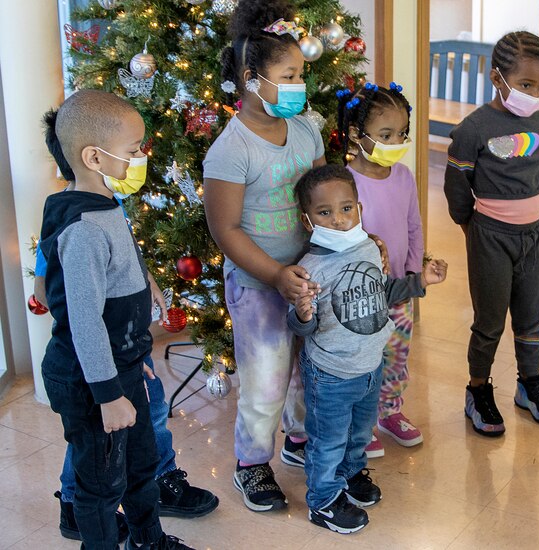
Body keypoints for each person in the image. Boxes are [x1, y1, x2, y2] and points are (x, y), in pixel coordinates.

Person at [39, 110, 218, 543]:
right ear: (94, 158)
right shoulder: (81, 229)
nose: (141, 158)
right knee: (101, 489)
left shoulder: (105, 205)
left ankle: (148, 539)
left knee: (140, 468)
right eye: (134, 151)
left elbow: (121, 259)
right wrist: (108, 394)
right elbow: (84, 322)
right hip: (92, 383)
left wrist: (147, 290)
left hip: (123, 368)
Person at [203, 0, 324, 512]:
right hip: (259, 286)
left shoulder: (306, 128)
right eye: (289, 75)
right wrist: (275, 274)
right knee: (266, 379)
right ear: (252, 79)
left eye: (302, 73)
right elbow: (224, 229)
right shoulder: (231, 150)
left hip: (311, 276)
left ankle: (299, 442)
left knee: (307, 371)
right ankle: (251, 465)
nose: (301, 84)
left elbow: (321, 191)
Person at [287, 164, 448, 533]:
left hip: (370, 365)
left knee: (360, 433)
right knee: (328, 441)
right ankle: (323, 499)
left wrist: (421, 280)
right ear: (308, 220)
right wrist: (303, 312)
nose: (340, 220)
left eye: (347, 208)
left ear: (359, 207)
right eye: (325, 212)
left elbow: (384, 293)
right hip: (331, 374)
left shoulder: (369, 248)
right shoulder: (309, 268)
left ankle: (352, 474)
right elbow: (300, 328)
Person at [443, 31, 539, 436]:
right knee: (489, 321)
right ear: (497, 78)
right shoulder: (473, 129)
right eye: (526, 85)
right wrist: (469, 228)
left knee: (531, 318)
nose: (536, 94)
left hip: (534, 236)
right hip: (489, 235)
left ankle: (529, 384)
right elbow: (456, 188)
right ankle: (478, 389)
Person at [337, 82, 424, 458]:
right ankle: (362, 422)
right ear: (357, 134)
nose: (396, 141)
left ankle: (390, 412)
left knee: (396, 356)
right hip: (360, 296)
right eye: (386, 134)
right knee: (364, 359)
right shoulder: (344, 182)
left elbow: (413, 226)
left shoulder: (403, 177)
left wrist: (415, 274)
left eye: (402, 133)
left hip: (399, 290)